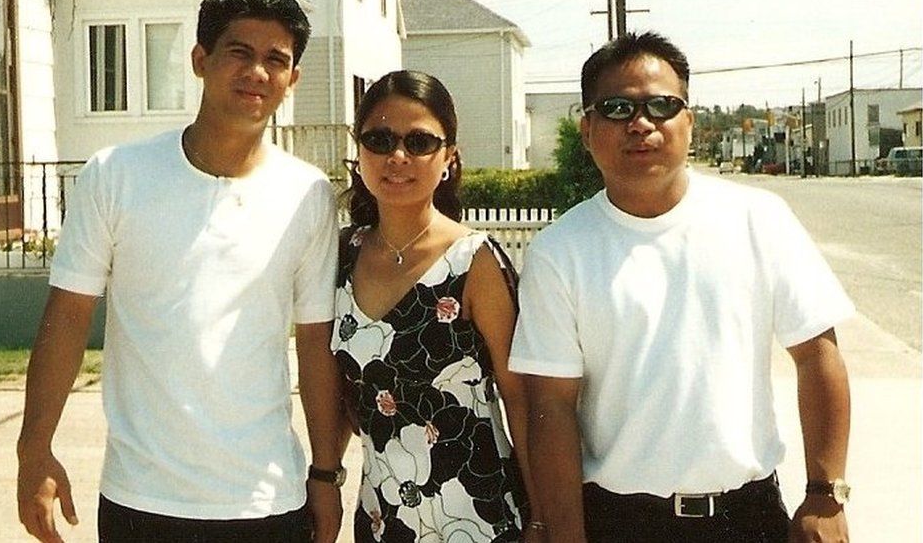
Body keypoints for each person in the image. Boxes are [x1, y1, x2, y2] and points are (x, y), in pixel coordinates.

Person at [15, 0, 348, 541]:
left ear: (293, 78)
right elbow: (68, 316)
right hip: (140, 499)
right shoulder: (115, 174)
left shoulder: (307, 193)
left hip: (268, 501)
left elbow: (316, 343)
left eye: (277, 59)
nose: (257, 72)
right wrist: (34, 448)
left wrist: (326, 474)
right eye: (239, 51)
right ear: (200, 59)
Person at [510, 32, 854, 543]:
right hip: (619, 523)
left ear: (689, 122)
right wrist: (566, 533)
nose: (641, 123)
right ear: (587, 129)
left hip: (748, 517)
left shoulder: (759, 219)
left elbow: (817, 353)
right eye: (617, 108)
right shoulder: (559, 252)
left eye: (662, 106)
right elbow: (552, 407)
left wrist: (826, 494)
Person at [331, 70, 543, 542]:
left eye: (420, 141)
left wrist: (545, 516)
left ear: (449, 158)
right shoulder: (341, 256)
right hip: (384, 518)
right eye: (380, 139)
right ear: (359, 152)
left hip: (480, 517)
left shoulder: (475, 261)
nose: (398, 156)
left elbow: (522, 403)